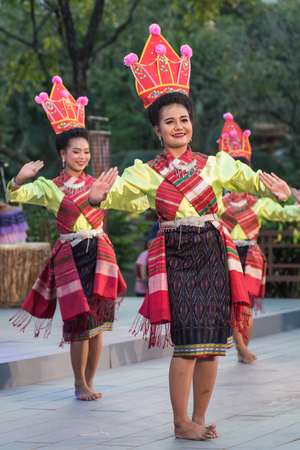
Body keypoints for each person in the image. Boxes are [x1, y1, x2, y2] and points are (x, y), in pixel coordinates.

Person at [87, 24, 291, 440]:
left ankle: (199, 417)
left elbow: (247, 178)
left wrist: (281, 191)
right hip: (178, 256)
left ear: (191, 123)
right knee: (187, 343)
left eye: (184, 119)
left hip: (215, 254)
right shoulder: (145, 173)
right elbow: (118, 195)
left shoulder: (215, 164)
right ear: (156, 129)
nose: (178, 126)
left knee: (214, 341)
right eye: (169, 121)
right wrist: (96, 198)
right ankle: (180, 422)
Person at [7, 76, 127, 401]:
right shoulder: (51, 186)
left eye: (87, 151)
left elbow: (128, 198)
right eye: (76, 151)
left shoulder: (98, 183)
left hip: (99, 251)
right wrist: (19, 179)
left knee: (99, 322)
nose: (83, 156)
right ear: (63, 152)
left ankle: (90, 380)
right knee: (78, 320)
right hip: (71, 256)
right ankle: (78, 383)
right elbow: (19, 192)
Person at [218, 112, 300, 364]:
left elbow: (286, 214)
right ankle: (240, 347)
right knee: (235, 304)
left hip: (251, 256)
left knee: (246, 306)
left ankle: (243, 347)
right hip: (227, 254)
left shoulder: (258, 204)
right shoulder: (218, 203)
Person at [134, 221, 159, 296]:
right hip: (143, 290)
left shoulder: (158, 254)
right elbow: (143, 278)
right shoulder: (144, 255)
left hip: (151, 290)